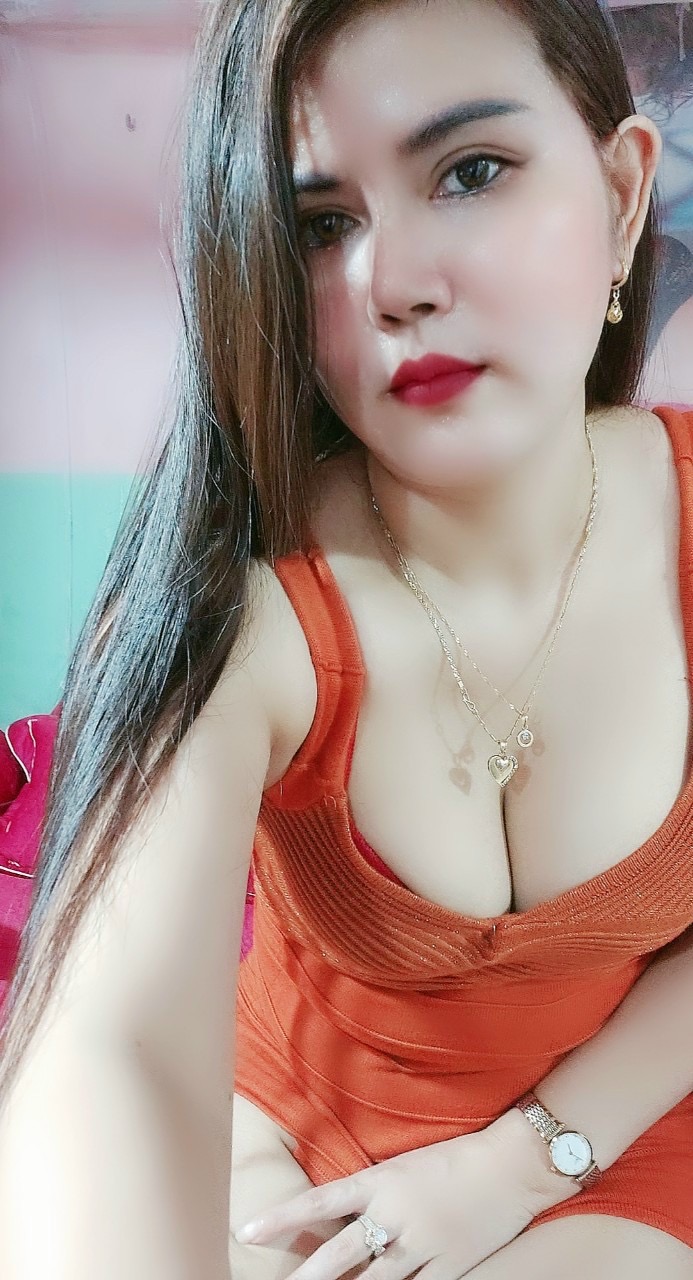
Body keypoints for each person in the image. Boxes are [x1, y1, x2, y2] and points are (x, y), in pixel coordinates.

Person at [0, 1, 692, 1277]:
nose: (394, 284)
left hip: (621, 1122)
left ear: (620, 192)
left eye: (471, 171)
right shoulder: (244, 598)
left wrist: (520, 1162)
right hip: (291, 1125)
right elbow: (114, 1044)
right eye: (322, 226)